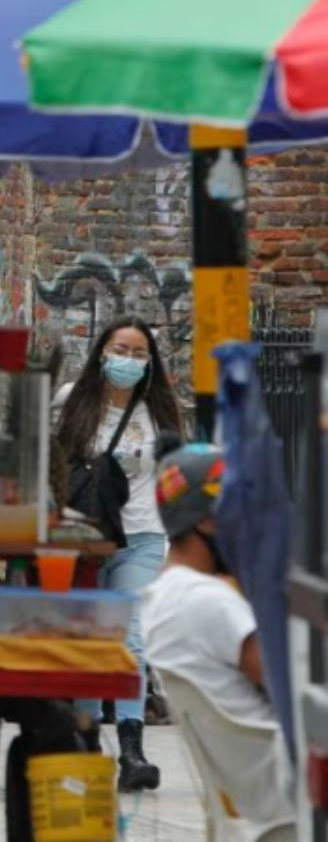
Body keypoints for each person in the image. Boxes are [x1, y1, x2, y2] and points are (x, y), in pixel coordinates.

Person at [53, 315, 184, 791]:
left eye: (137, 352)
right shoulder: (72, 403)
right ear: (101, 352)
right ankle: (88, 741)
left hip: (143, 539)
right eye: (119, 349)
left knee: (130, 638)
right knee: (90, 640)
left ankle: (131, 747)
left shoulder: (161, 415)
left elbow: (175, 480)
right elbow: (53, 465)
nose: (127, 360)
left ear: (150, 363)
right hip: (86, 539)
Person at [140, 443, 295, 838]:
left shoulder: (164, 595)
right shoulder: (209, 602)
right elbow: (289, 685)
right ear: (206, 522)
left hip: (253, 797)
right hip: (288, 790)